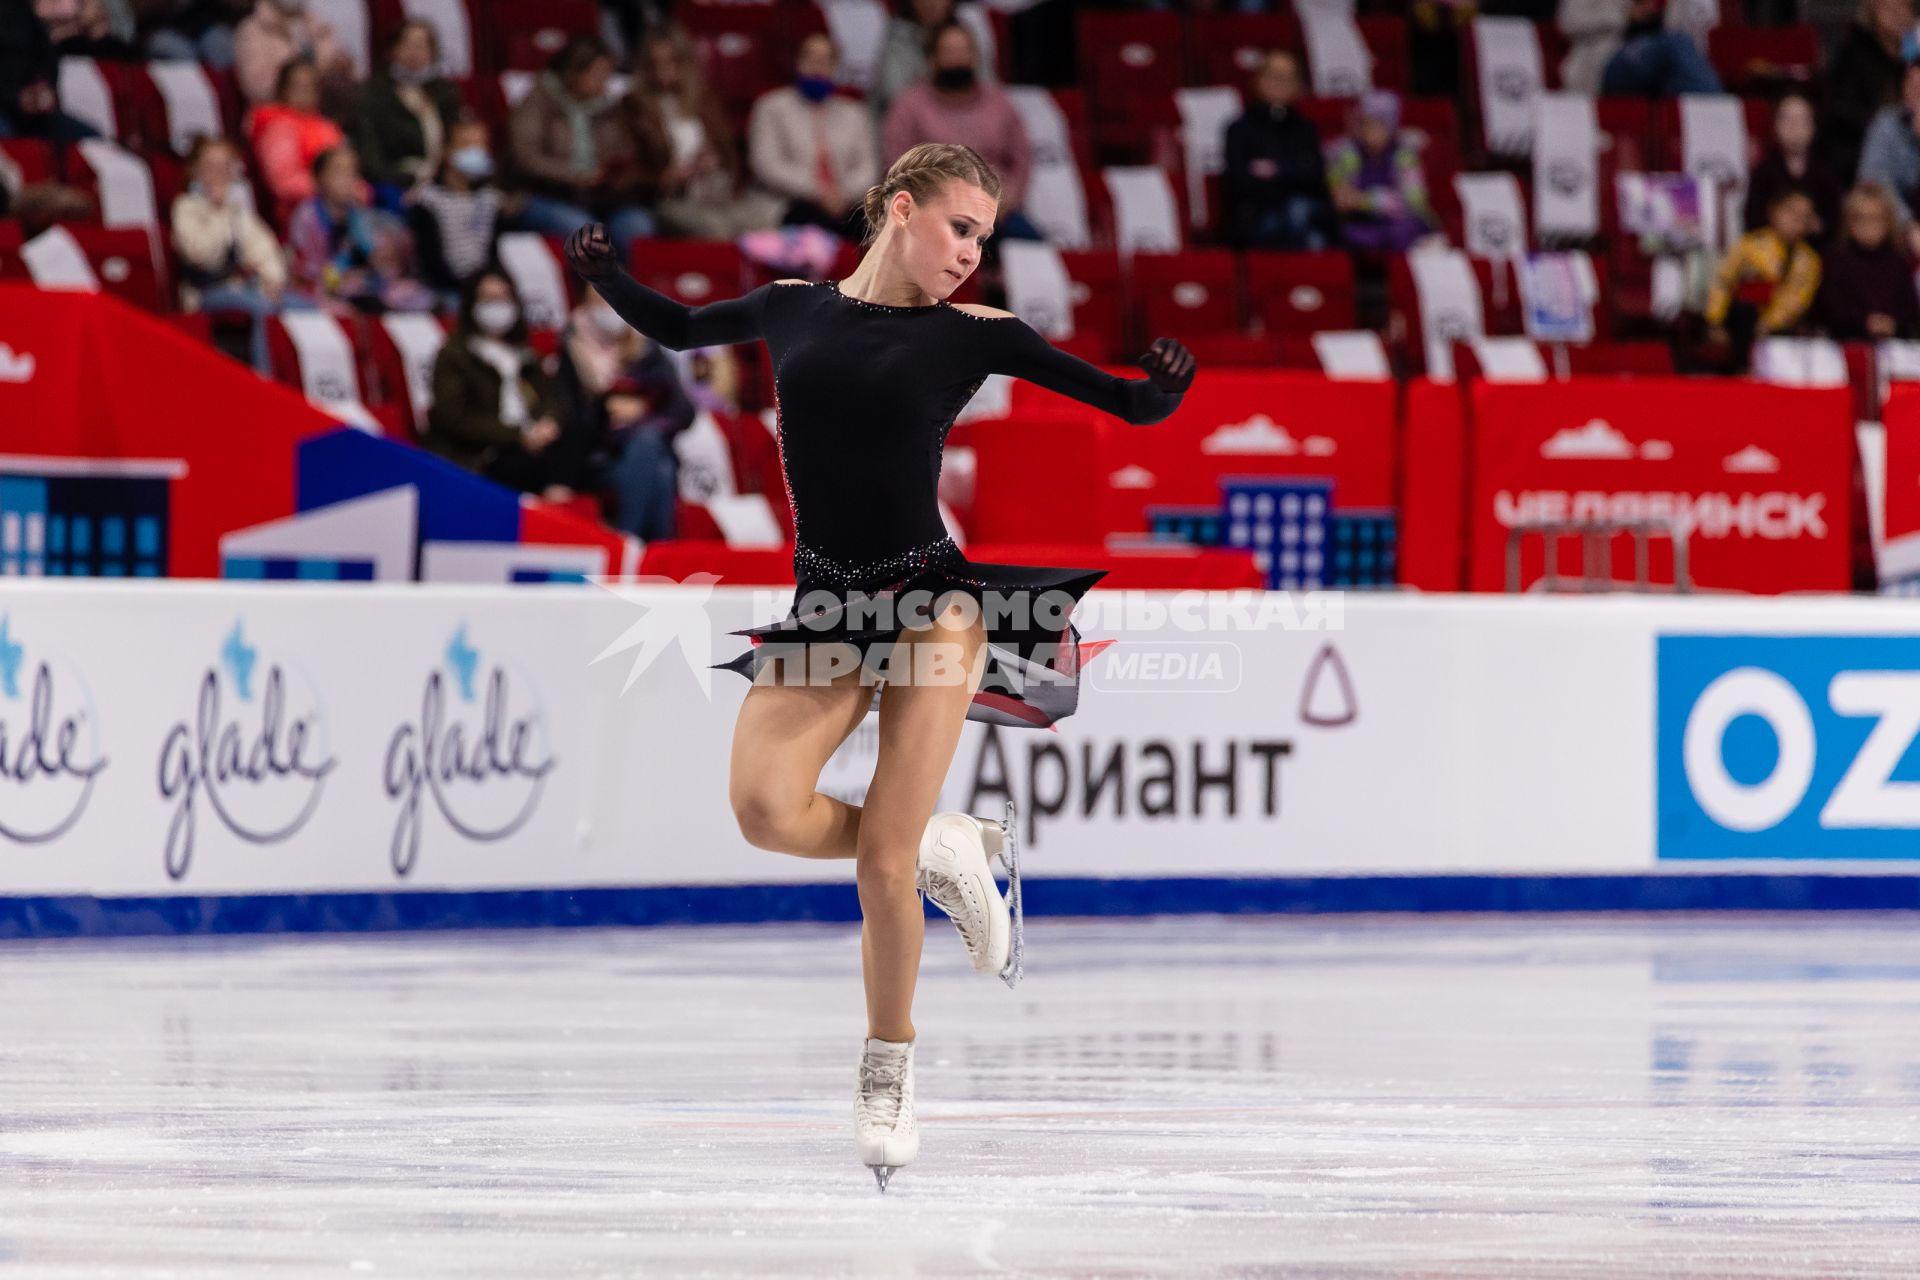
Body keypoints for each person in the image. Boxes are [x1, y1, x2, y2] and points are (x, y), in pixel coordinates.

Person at [561, 141, 1195, 1191]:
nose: (968, 254)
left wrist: (1159, 396)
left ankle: (887, 1062)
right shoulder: (792, 306)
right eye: (958, 228)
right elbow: (678, 328)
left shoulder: (975, 335)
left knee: (876, 866)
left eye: (982, 239)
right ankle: (953, 847)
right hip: (826, 602)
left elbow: (1123, 405)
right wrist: (610, 280)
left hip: (932, 602)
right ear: (900, 209)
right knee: (764, 808)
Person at [423, 270, 584, 499]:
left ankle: (557, 507)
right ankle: (553, 514)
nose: (497, 307)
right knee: (533, 465)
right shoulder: (453, 356)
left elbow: (552, 398)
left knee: (576, 433)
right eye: (488, 299)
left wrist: (547, 425)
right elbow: (456, 418)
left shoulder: (526, 354)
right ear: (471, 304)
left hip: (531, 442)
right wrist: (519, 434)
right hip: (483, 453)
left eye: (503, 298)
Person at [881, 22, 1040, 240]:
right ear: (932, 59)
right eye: (948, 51)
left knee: (1034, 249)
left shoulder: (999, 103)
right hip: (931, 214)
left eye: (963, 51)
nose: (956, 59)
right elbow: (897, 166)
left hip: (997, 213)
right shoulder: (909, 105)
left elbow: (1021, 160)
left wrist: (1006, 201)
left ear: (975, 57)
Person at [506, 34, 660, 256]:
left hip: (601, 197)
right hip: (545, 195)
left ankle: (630, 290)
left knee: (637, 227)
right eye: (598, 74)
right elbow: (526, 157)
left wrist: (617, 174)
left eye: (607, 74)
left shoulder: (611, 108)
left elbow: (624, 152)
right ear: (575, 71)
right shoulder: (538, 101)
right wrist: (576, 175)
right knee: (584, 231)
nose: (604, 82)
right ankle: (592, 291)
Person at [171, 135, 308, 369]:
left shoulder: (237, 211)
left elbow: (264, 249)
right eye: (211, 166)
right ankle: (265, 379)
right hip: (205, 291)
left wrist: (272, 280)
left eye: (225, 167)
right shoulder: (186, 207)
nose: (219, 174)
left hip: (245, 287)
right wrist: (215, 211)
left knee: (304, 306)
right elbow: (200, 254)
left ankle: (300, 377)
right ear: (195, 171)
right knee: (262, 308)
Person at [633, 25, 781, 239]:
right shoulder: (634, 107)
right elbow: (629, 171)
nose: (662, 70)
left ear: (686, 63)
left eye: (671, 62)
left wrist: (714, 161)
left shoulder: (705, 102)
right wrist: (666, 177)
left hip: (714, 193)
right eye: (655, 63)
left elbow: (729, 155)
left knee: (769, 219)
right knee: (715, 229)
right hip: (670, 199)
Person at [748, 32, 881, 241]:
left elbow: (868, 168)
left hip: (845, 203)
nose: (817, 68)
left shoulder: (854, 113)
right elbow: (767, 165)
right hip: (790, 203)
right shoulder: (771, 107)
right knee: (808, 218)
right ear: (797, 62)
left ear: (835, 67)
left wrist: (842, 194)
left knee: (872, 224)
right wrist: (819, 193)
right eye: (810, 59)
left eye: (826, 61)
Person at [287, 145, 435, 313]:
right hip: (321, 292)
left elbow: (378, 262)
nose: (347, 179)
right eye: (338, 171)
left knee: (418, 296)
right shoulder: (307, 215)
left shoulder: (360, 216)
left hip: (362, 288)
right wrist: (340, 279)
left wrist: (381, 262)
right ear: (319, 178)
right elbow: (307, 271)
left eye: (352, 172)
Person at [1222, 51, 1334, 251]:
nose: (1281, 83)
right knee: (1304, 224)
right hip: (1258, 217)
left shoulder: (1306, 129)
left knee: (1305, 221)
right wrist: (1293, 174)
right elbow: (1241, 182)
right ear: (1258, 79)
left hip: (1303, 215)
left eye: (1289, 78)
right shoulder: (1239, 129)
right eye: (1274, 76)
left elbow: (1316, 177)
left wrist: (1277, 171)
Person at [350, 19, 463, 211]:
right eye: (407, 45)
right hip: (391, 181)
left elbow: (456, 142)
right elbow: (369, 153)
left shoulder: (445, 93)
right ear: (393, 50)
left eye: (421, 46)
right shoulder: (374, 93)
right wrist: (405, 180)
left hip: (440, 182)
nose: (414, 53)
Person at [1705, 188, 1821, 370]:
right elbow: (1722, 282)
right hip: (1739, 323)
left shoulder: (1809, 261)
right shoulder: (1749, 246)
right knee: (1743, 313)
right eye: (1791, 211)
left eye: (1805, 216)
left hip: (1778, 330)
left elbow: (1796, 301)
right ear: (1773, 212)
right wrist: (1715, 322)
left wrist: (1768, 324)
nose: (1797, 220)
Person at [1326, 90, 1440, 253]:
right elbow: (1334, 187)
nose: (1368, 129)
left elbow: (1414, 203)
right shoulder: (1347, 153)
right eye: (1364, 123)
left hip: (1397, 225)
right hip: (1362, 221)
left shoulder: (1405, 156)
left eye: (1375, 123)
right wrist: (1338, 194)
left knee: (1403, 230)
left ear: (1390, 126)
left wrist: (1365, 200)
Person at [409, 118, 507, 301]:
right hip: (444, 288)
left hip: (482, 289)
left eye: (480, 146)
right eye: (466, 145)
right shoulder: (427, 200)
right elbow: (431, 262)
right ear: (447, 151)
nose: (475, 152)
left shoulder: (492, 201)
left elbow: (494, 256)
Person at [1557, 0, 1720, 99]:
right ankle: (1720, 119)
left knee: (1682, 62)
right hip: (1607, 59)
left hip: (1662, 60)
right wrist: (1625, 15)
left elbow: (1684, 33)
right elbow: (1570, 21)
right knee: (1675, 46)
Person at [1825, 0, 1914, 181]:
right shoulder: (1854, 53)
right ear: (1874, 11)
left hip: (1909, 144)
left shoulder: (1913, 58)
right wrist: (1884, 127)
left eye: (1902, 8)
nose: (1897, 15)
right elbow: (1842, 111)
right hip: (1858, 147)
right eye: (1889, 9)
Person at [247, 58, 344, 222]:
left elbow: (347, 169)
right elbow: (283, 182)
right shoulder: (277, 126)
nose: (305, 91)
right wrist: (329, 188)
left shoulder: (327, 126)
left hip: (338, 203)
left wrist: (357, 190)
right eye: (298, 86)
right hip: (299, 212)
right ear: (283, 90)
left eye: (310, 86)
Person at [1818, 182, 1920, 339]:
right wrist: (1863, 322)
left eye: (1875, 219)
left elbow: (1910, 311)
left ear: (1888, 222)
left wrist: (1893, 324)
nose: (1867, 227)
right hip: (1844, 345)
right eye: (1860, 218)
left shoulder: (1899, 263)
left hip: (1894, 349)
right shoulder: (1836, 260)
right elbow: (1830, 308)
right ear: (1849, 221)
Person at [869, 0, 993, 119]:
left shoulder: (963, 35)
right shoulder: (895, 38)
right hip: (910, 130)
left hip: (966, 126)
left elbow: (989, 94)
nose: (931, 3)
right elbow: (895, 96)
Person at [1744, 94, 1843, 239]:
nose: (1793, 126)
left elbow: (1834, 222)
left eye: (1801, 120)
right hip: (1769, 252)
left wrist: (1810, 224)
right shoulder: (1763, 171)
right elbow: (1753, 219)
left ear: (1813, 127)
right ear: (1775, 126)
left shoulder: (1826, 171)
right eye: (1787, 119)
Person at [0, 0, 98, 140]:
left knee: (92, 140)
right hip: (6, 108)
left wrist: (44, 87)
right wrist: (15, 97)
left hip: (34, 111)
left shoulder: (20, 11)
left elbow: (46, 56)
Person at [232, 0, 351, 108]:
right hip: (277, 116)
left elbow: (332, 59)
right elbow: (256, 88)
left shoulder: (314, 20)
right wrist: (297, 80)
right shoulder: (251, 30)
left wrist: (338, 65)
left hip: (323, 109)